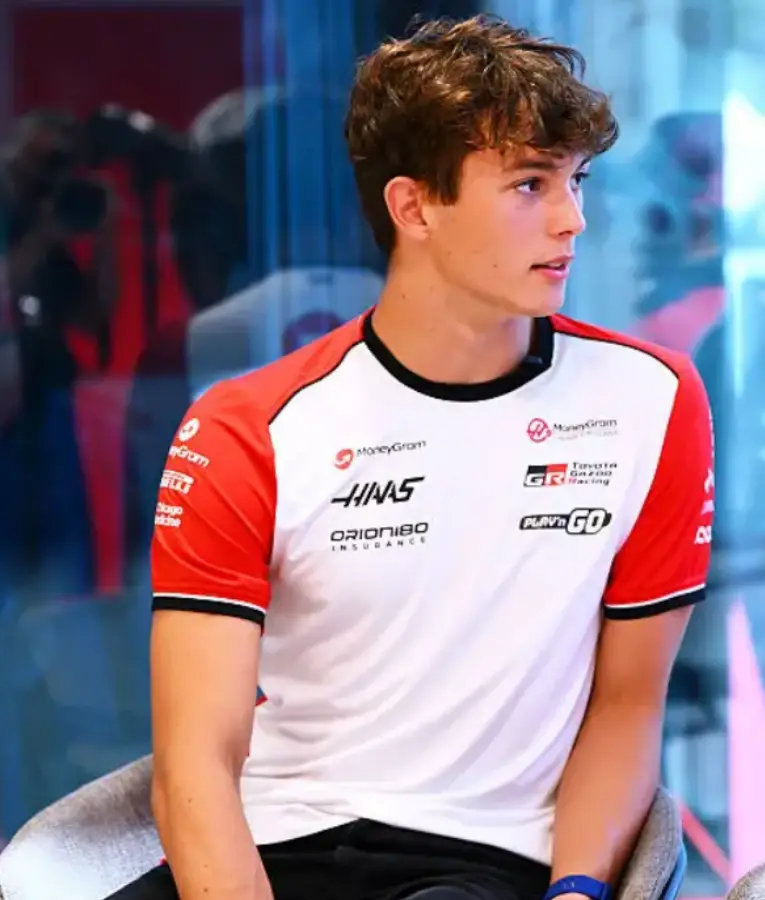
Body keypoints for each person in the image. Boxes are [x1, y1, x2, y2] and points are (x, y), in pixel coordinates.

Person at [115, 15, 715, 900]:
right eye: (529, 184)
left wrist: (577, 892)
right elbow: (195, 759)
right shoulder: (245, 426)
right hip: (262, 852)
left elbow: (627, 705)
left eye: (576, 179)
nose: (572, 219)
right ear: (413, 206)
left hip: (474, 863)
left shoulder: (651, 399)